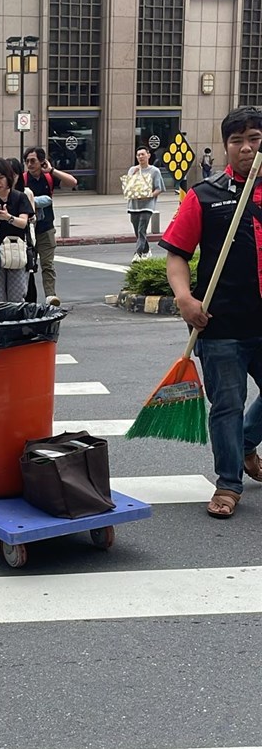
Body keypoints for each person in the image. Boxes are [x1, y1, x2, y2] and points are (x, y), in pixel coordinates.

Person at [159, 106, 262, 520]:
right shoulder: (206, 195)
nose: (245, 148)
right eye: (236, 141)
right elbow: (177, 256)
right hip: (220, 324)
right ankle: (228, 484)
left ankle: (244, 442)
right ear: (225, 148)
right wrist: (185, 297)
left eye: (253, 138)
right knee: (226, 404)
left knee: (235, 417)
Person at [21, 145, 78, 306]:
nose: (30, 164)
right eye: (27, 161)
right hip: (28, 230)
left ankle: (50, 296)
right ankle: (26, 298)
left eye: (33, 161)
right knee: (27, 266)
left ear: (42, 161)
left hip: (46, 228)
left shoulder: (48, 177)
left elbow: (73, 182)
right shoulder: (23, 179)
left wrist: (52, 171)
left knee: (47, 264)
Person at [0, 159, 34, 304]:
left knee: (17, 296)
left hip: (16, 249)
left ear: (8, 177)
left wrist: (8, 217)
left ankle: (15, 325)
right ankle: (0, 325)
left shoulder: (20, 197)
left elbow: (23, 223)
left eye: (1, 177)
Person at [125, 146, 163, 260]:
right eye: (138, 155)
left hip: (147, 206)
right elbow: (128, 186)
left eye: (143, 154)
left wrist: (149, 195)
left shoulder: (154, 171)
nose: (140, 157)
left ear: (148, 155)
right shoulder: (132, 170)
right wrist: (134, 174)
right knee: (137, 231)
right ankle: (146, 250)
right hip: (133, 205)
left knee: (142, 229)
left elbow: (159, 188)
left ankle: (138, 254)